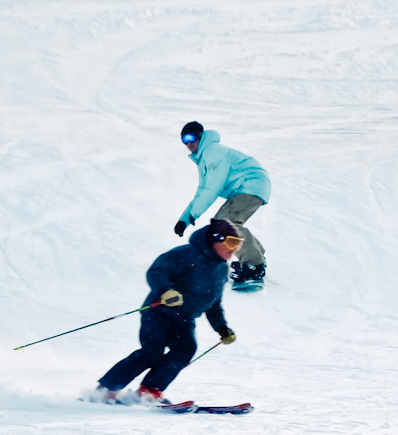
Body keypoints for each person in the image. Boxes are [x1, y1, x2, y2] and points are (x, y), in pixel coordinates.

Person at [92, 219, 241, 404]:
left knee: (185, 350)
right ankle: (106, 389)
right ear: (215, 240)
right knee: (151, 352)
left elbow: (213, 303)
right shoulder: (187, 254)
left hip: (185, 318)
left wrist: (222, 328)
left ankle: (149, 391)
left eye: (238, 244)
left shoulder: (221, 270)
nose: (234, 248)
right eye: (231, 242)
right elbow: (157, 271)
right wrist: (165, 291)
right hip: (159, 312)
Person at [174, 121, 271, 289]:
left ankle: (254, 264)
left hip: (251, 184)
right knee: (224, 224)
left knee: (223, 225)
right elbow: (202, 190)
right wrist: (185, 219)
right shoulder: (205, 157)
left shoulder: (212, 152)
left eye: (191, 138)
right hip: (250, 186)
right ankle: (256, 257)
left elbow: (212, 188)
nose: (188, 143)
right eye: (184, 140)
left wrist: (193, 214)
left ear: (200, 136)